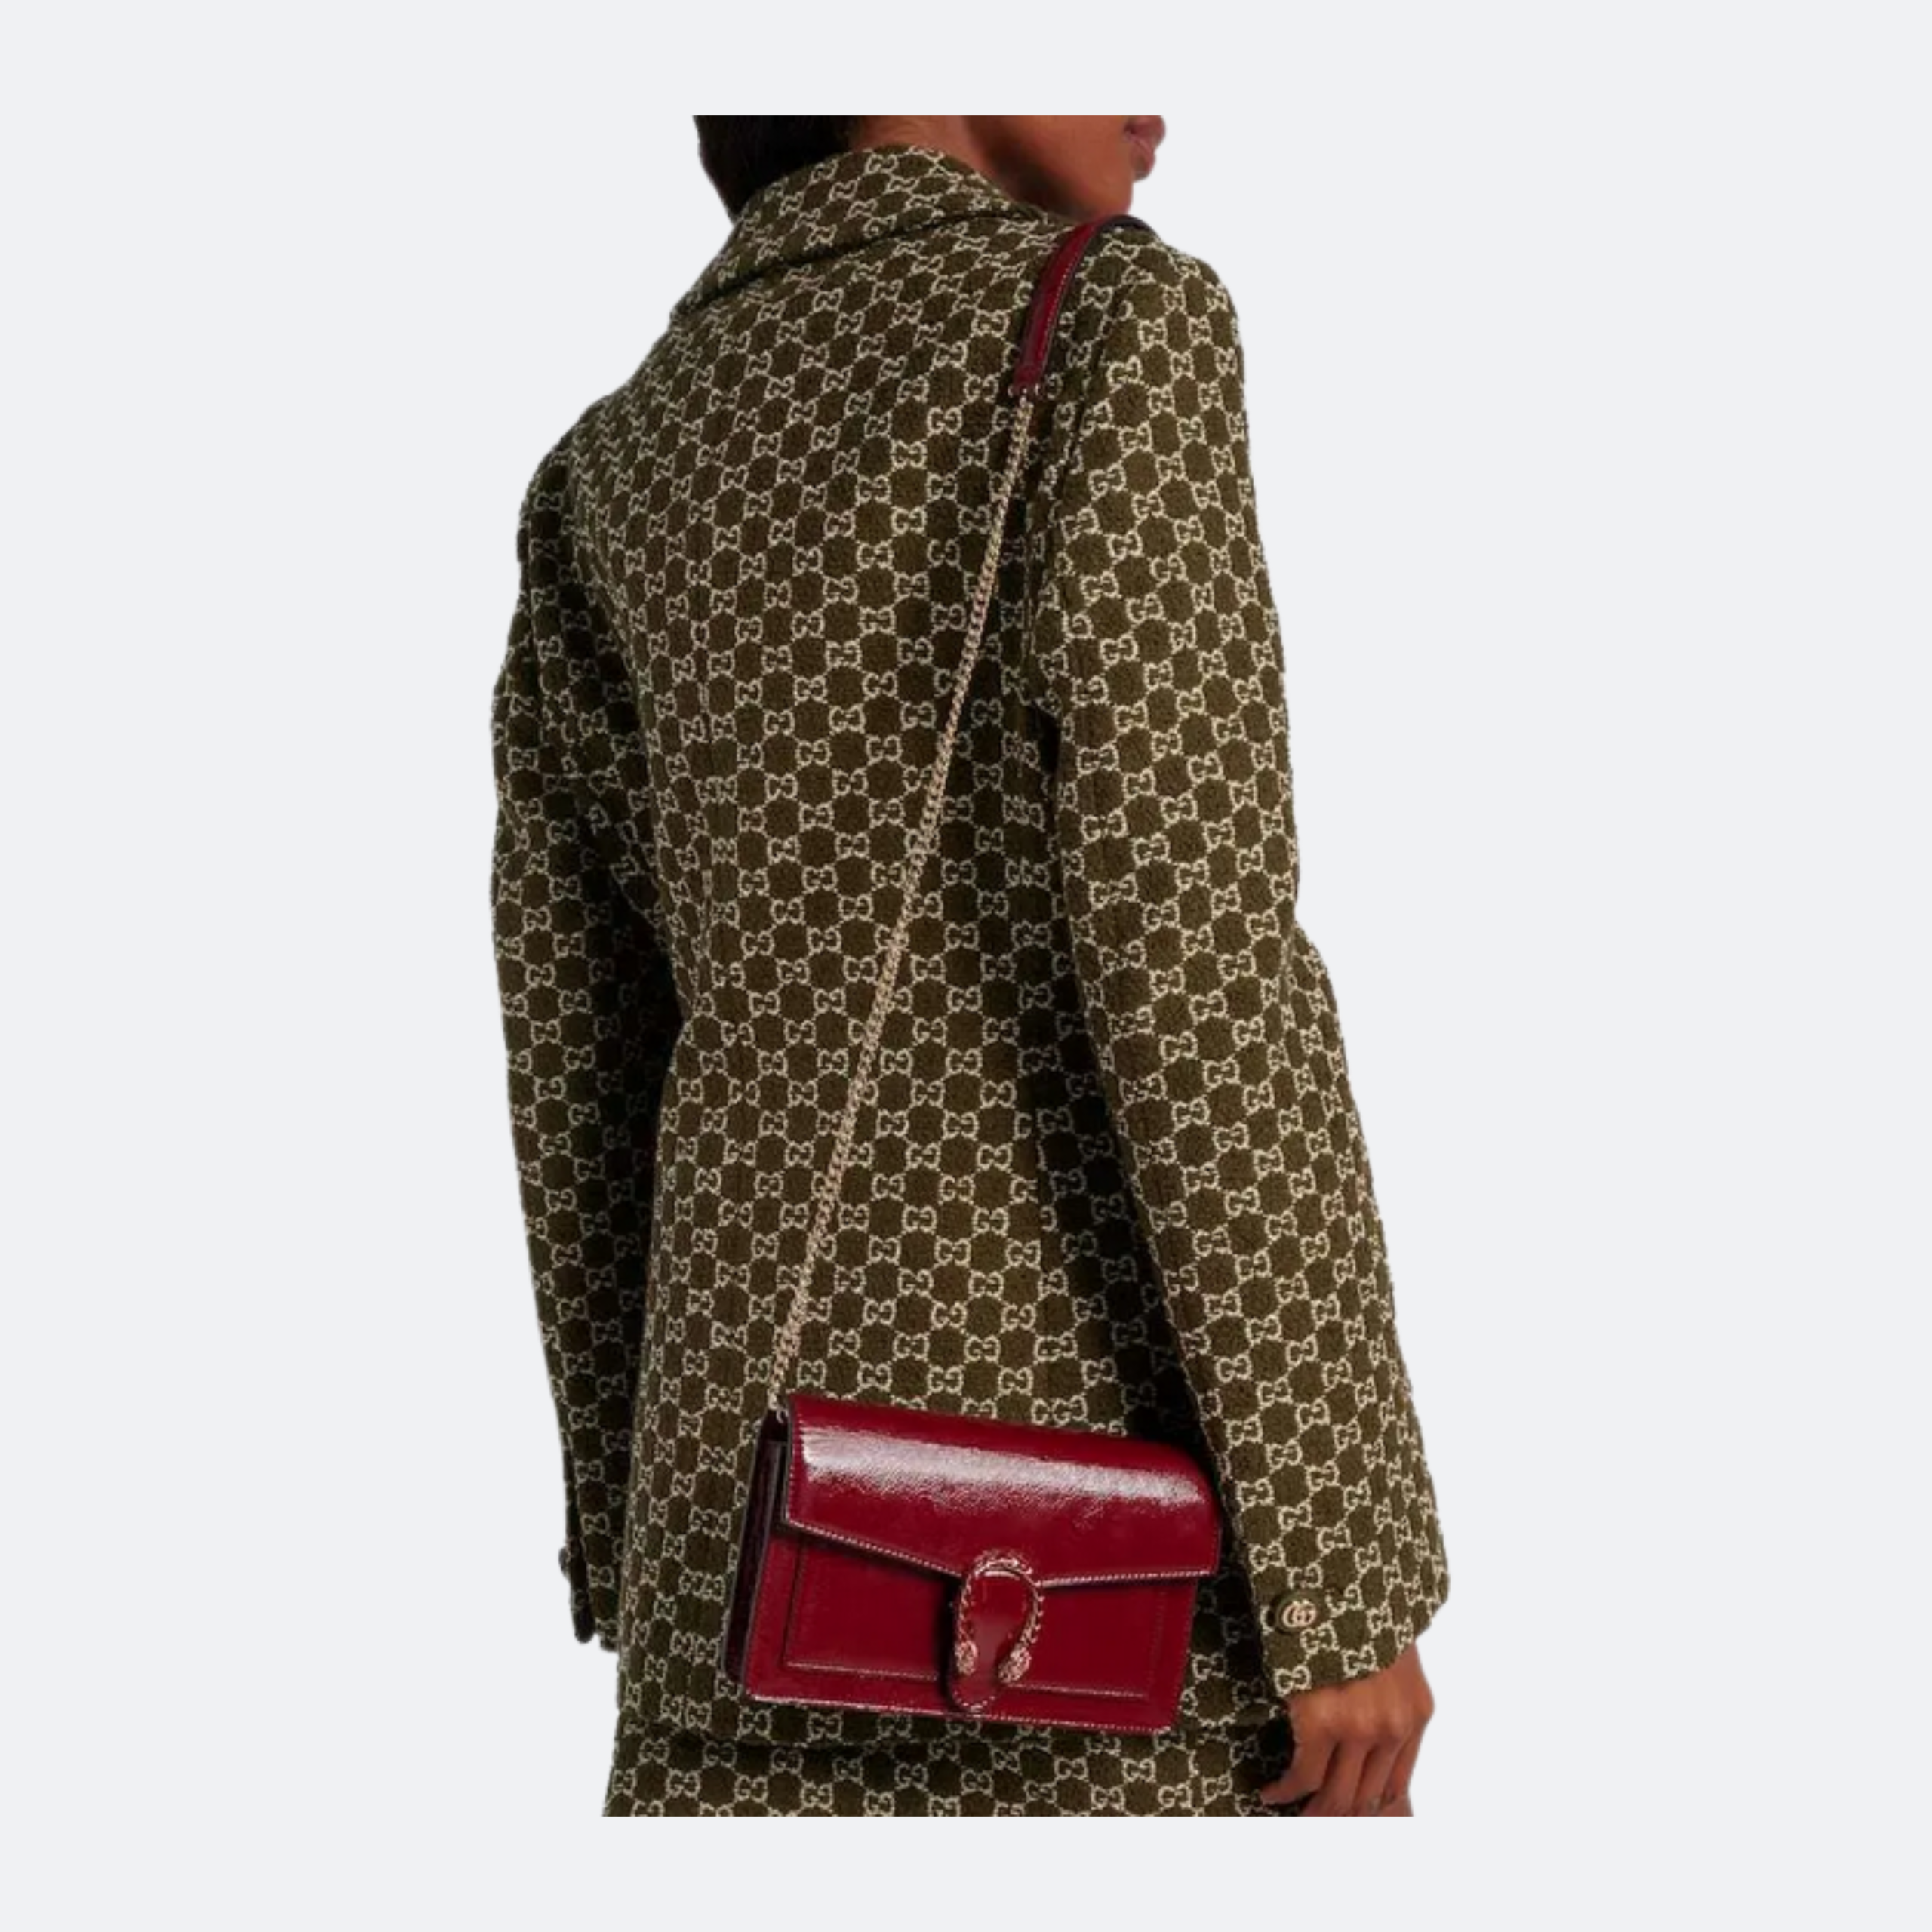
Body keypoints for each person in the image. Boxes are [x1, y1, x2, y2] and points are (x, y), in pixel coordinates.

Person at [489, 115, 1450, 1817]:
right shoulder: (1104, 323)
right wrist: (1340, 1569)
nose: (1156, 94)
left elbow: (579, 1048)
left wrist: (634, 1544)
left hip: (732, 1533)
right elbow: (1194, 949)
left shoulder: (608, 463)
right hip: (1090, 1543)